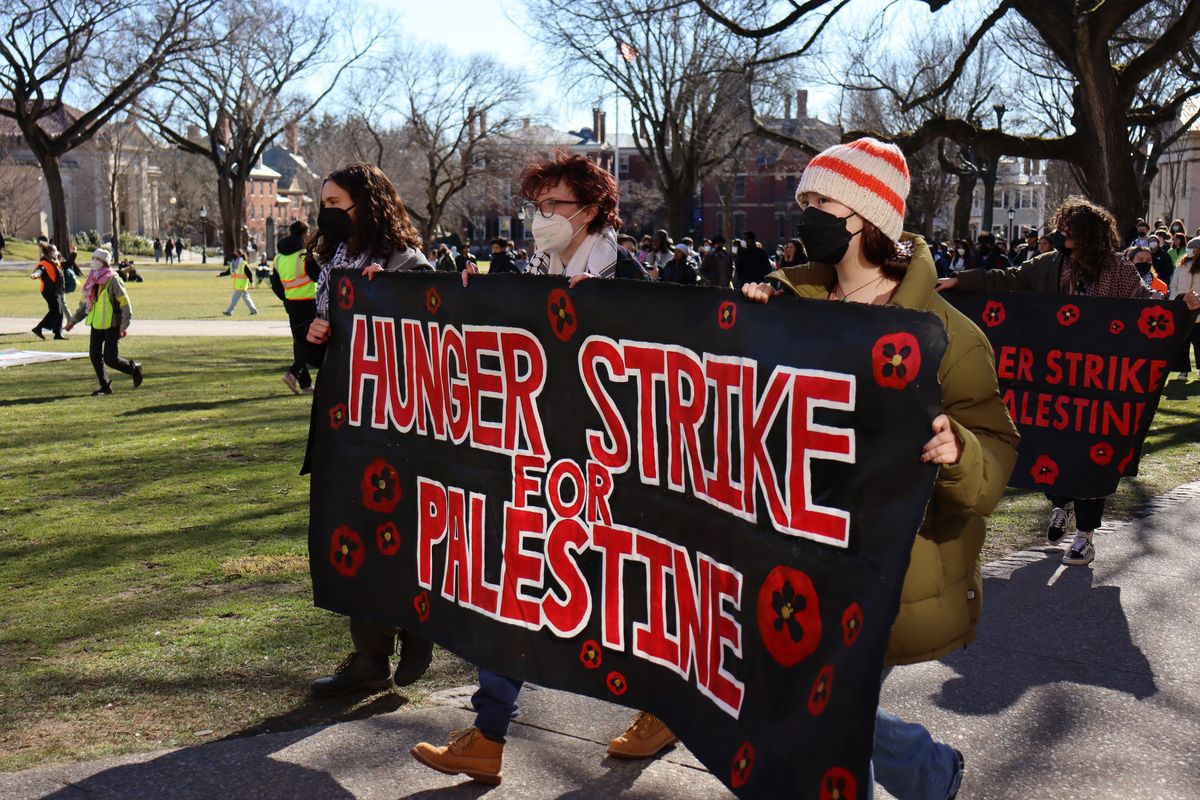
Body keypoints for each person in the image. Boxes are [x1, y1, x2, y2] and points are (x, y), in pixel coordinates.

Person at [742, 137, 1019, 800]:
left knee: (827, 727)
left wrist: (961, 451)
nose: (802, 214)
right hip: (795, 551)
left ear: (863, 218)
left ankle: (920, 772)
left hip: (884, 566)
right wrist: (739, 326)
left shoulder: (947, 333)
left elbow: (992, 454)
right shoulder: (788, 310)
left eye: (819, 202)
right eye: (802, 201)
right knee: (825, 708)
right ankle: (926, 771)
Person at [412, 150, 657, 787]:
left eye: (556, 206)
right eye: (538, 206)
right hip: (544, 468)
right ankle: (488, 734)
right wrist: (472, 302)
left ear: (595, 210)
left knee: (629, 600)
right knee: (516, 592)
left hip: (615, 475)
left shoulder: (628, 274)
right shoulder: (535, 272)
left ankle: (663, 708)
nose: (542, 217)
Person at [938, 196, 1200, 567]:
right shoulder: (1049, 265)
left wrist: (1179, 306)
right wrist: (959, 281)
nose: (1061, 235)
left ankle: (1085, 536)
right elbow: (1008, 278)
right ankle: (1060, 504)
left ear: (1088, 235)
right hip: (1055, 376)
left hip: (1102, 382)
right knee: (1049, 439)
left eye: (1069, 230)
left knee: (1095, 455)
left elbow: (1146, 304)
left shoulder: (1119, 270)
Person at [302, 162, 435, 696]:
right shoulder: (337, 260)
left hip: (398, 429)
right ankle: (369, 656)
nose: (324, 214)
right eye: (323, 204)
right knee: (351, 533)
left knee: (395, 536)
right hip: (344, 421)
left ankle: (415, 627)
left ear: (367, 203)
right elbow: (335, 344)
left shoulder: (408, 262)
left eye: (335, 204)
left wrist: (392, 302)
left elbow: (435, 347)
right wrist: (317, 337)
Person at [64, 248, 143, 395]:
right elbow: (84, 306)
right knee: (94, 355)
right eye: (92, 258)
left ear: (104, 262)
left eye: (97, 259)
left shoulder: (114, 280)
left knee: (110, 359)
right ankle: (105, 386)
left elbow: (126, 305)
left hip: (113, 325)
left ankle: (134, 369)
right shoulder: (92, 280)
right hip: (96, 324)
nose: (93, 261)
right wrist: (73, 321)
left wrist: (124, 326)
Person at [269, 220, 317, 394]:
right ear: (304, 234)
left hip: (291, 304)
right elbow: (319, 277)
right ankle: (293, 373)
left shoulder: (278, 258)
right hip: (309, 302)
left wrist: (287, 297)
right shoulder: (305, 255)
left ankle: (305, 384)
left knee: (299, 342)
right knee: (313, 343)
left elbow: (275, 284)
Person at [1170, 237, 1200, 378]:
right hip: (1181, 308)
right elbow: (1173, 285)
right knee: (1182, 342)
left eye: (1192, 248)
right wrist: (1174, 301)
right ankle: (1183, 370)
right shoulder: (1181, 265)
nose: (1189, 251)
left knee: (1199, 341)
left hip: (1198, 309)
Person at [30, 244, 68, 339]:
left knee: (60, 311)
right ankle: (39, 328)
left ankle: (57, 333)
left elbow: (66, 265)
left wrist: (73, 254)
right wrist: (35, 275)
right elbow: (39, 271)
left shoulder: (55, 262)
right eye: (55, 251)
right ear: (50, 253)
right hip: (48, 291)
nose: (57, 252)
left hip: (56, 290)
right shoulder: (43, 263)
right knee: (56, 311)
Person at [218, 250, 258, 316]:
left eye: (235, 253)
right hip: (238, 285)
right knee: (247, 298)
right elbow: (228, 272)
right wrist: (220, 274)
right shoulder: (233, 264)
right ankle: (254, 311)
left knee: (234, 299)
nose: (233, 254)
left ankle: (229, 311)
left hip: (241, 285)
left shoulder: (243, 263)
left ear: (239, 255)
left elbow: (249, 274)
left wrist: (252, 282)